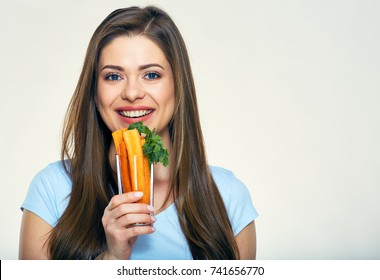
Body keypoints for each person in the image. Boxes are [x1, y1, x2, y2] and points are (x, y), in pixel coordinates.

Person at [19, 6, 258, 260]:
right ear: (95, 92)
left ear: (179, 86)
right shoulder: (51, 189)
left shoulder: (229, 197)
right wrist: (111, 259)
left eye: (151, 74)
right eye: (113, 76)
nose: (132, 93)